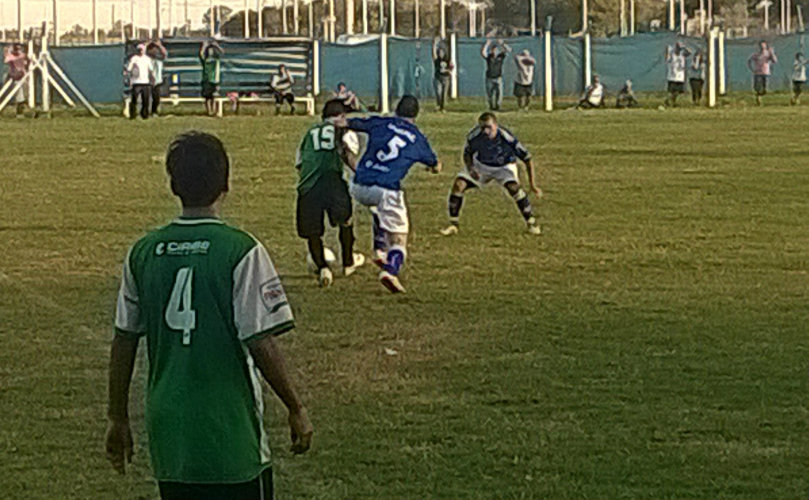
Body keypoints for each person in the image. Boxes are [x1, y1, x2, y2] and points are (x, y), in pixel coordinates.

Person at [106, 131, 313, 500]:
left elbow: (124, 340)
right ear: (226, 184)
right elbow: (261, 341)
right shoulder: (241, 251)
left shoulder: (143, 252)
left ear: (172, 185)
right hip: (229, 430)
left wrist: (117, 416)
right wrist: (295, 407)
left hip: (170, 432)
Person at [346, 96, 441, 294]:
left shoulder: (382, 122)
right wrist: (435, 168)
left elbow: (352, 122)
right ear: (416, 115)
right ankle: (390, 270)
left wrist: (342, 120)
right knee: (400, 239)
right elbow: (434, 163)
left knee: (377, 207)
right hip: (386, 189)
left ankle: (380, 250)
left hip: (358, 185)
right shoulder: (418, 138)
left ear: (397, 110)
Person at [295, 99, 365, 287]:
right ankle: (348, 262)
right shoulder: (343, 131)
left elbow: (300, 163)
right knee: (346, 221)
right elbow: (349, 156)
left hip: (308, 185)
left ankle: (323, 267)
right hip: (333, 180)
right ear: (341, 117)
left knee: (313, 232)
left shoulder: (309, 133)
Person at [441, 112, 541, 237]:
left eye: (489, 127)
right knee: (459, 184)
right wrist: (471, 169)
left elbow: (527, 158)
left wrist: (532, 184)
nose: (485, 131)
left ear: (496, 125)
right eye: (482, 127)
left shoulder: (506, 137)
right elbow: (467, 153)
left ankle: (531, 223)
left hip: (504, 166)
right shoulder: (474, 136)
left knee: (514, 188)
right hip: (482, 165)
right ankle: (453, 224)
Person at [125, 43, 155, 120]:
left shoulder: (147, 59)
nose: (141, 51)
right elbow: (129, 68)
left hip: (145, 82)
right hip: (136, 82)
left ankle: (145, 114)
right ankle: (133, 114)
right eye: (139, 50)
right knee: (134, 99)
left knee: (145, 100)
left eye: (142, 50)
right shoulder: (134, 58)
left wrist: (152, 79)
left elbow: (151, 70)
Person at [481, 37, 511, 111]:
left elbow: (509, 50)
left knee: (499, 93)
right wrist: (487, 44)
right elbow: (483, 53)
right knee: (490, 94)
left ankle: (497, 106)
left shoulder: (500, 57)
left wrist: (502, 44)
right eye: (493, 50)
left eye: (496, 50)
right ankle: (491, 106)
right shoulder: (489, 57)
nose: (495, 51)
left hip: (498, 77)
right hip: (489, 78)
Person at [3, 43, 30, 118]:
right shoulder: (11, 57)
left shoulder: (22, 55)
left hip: (22, 75)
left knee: (22, 88)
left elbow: (22, 58)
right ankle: (19, 106)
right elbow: (7, 59)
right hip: (13, 75)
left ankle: (21, 106)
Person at [748, 40, 777, 106]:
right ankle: (758, 99)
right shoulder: (756, 54)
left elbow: (774, 61)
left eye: (763, 46)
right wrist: (752, 69)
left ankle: (759, 96)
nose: (762, 47)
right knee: (758, 88)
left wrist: (772, 53)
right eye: (761, 46)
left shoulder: (768, 54)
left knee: (765, 89)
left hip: (765, 72)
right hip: (758, 73)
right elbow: (749, 61)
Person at [200, 40, 224, 116]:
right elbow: (201, 54)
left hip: (214, 80)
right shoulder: (205, 60)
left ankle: (214, 110)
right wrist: (204, 46)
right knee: (207, 97)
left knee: (214, 96)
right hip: (206, 79)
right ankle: (209, 111)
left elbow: (222, 52)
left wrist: (216, 46)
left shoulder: (216, 59)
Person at [664, 42, 690, 107]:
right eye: (678, 48)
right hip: (672, 77)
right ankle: (668, 101)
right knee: (671, 91)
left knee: (677, 92)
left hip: (680, 77)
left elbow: (689, 52)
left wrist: (684, 47)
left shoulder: (682, 54)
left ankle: (672, 102)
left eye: (680, 49)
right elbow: (667, 58)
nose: (679, 50)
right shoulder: (672, 54)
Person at [432, 37, 453, 112]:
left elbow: (451, 68)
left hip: (446, 78)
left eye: (442, 52)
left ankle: (442, 107)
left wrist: (447, 70)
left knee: (444, 94)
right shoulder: (437, 60)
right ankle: (438, 105)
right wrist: (434, 44)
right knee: (438, 92)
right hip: (438, 77)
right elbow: (433, 53)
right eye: (439, 52)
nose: (441, 54)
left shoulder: (447, 60)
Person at [148, 40, 168, 116]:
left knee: (156, 98)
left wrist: (160, 46)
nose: (154, 51)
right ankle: (145, 111)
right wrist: (149, 43)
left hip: (157, 81)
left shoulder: (159, 59)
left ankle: (154, 111)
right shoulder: (147, 58)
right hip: (148, 81)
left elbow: (165, 54)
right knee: (146, 98)